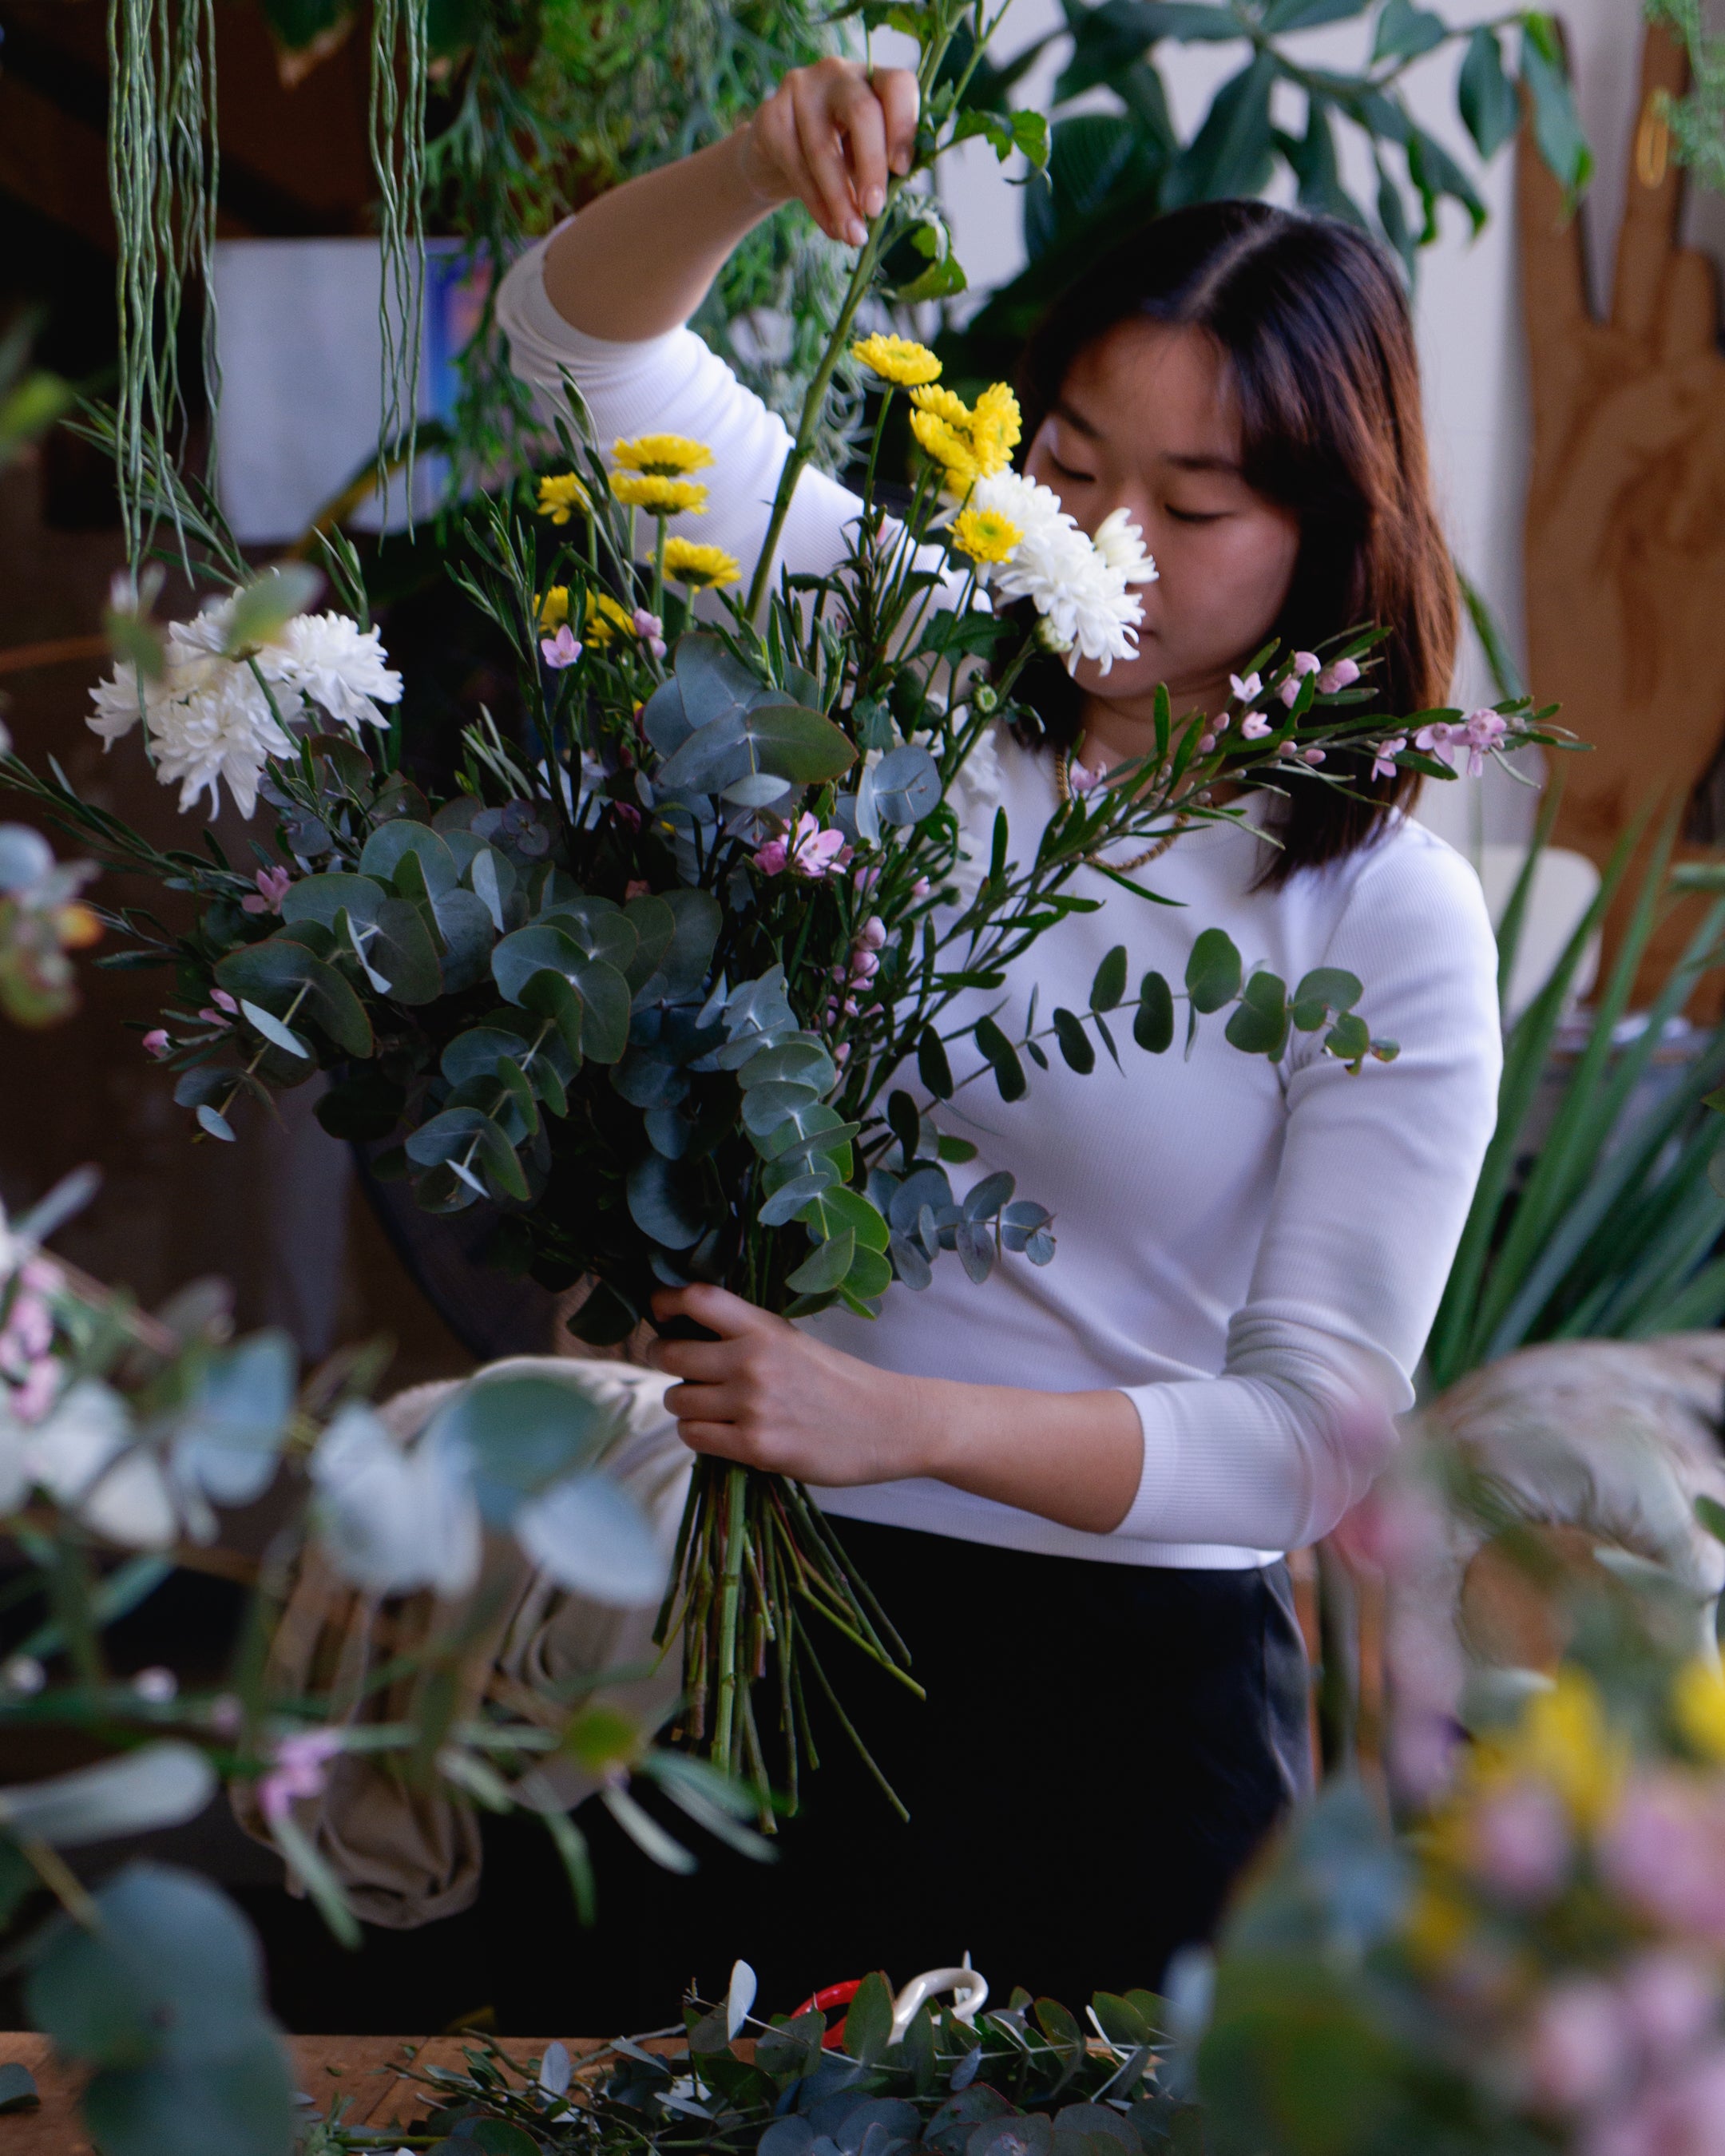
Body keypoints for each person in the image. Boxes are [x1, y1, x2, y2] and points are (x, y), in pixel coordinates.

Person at [486, 58, 1501, 2022]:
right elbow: (568, 355)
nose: (1103, 529)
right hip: (775, 1645)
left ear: (1327, 525)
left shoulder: (1378, 909)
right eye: (1073, 458)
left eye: (1193, 501)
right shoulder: (922, 669)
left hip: (1118, 1726)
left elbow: (1312, 1447)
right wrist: (746, 172)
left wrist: (901, 1426)